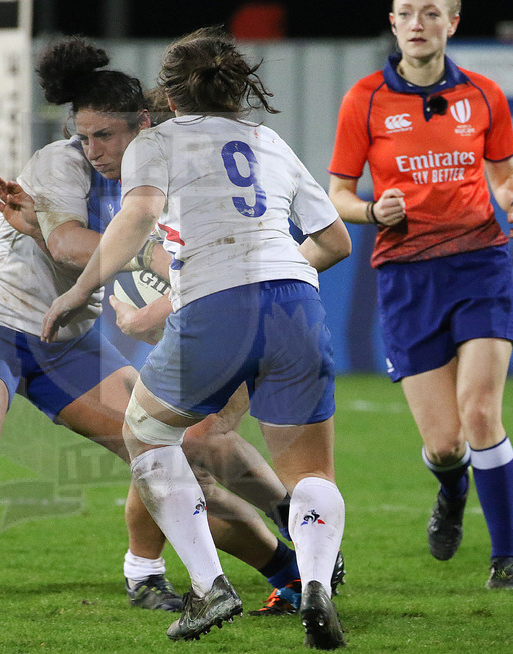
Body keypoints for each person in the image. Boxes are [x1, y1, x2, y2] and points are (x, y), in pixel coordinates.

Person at [0, 36, 306, 618]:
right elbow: (69, 244)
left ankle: (290, 571)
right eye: (84, 134)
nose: (92, 149)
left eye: (105, 136)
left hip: (65, 338)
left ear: (144, 123)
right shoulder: (58, 162)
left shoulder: (166, 166)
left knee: (167, 449)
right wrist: (154, 261)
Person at [43, 27, 351, 648]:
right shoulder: (271, 141)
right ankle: (314, 583)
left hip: (215, 305)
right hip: (296, 303)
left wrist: (78, 292)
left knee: (146, 433)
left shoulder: (156, 142)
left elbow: (138, 214)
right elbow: (336, 242)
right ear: (238, 89)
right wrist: (278, 267)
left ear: (171, 97)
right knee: (311, 470)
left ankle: (211, 586)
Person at [328, 0, 513, 589]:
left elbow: (502, 174)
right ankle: (451, 488)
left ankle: (505, 556)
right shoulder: (363, 99)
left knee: (479, 412)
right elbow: (337, 193)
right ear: (393, 23)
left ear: (452, 23)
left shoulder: (485, 94)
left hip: (481, 264)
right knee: (445, 445)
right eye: (406, 12)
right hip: (406, 275)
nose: (418, 22)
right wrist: (370, 209)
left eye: (432, 12)